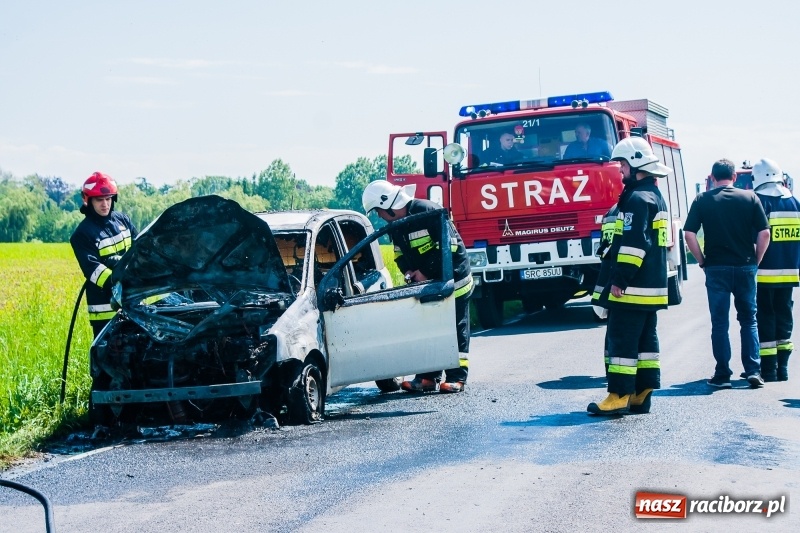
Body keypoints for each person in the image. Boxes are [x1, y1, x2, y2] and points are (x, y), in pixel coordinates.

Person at [362, 180, 473, 393]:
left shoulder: (428, 211)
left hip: (454, 279)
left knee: (454, 327)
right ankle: (428, 377)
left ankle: (457, 378)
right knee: (429, 328)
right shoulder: (397, 225)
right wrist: (408, 272)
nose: (379, 216)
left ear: (388, 206)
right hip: (427, 283)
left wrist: (426, 272)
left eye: (378, 211)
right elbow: (398, 254)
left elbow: (448, 247)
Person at [587, 136, 670, 415]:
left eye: (621, 163)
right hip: (652, 288)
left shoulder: (636, 199)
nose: (619, 169)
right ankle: (641, 392)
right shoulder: (654, 195)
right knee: (646, 341)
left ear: (635, 163)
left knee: (620, 340)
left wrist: (619, 281)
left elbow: (635, 245)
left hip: (632, 288)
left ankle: (619, 395)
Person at [684, 159, 770, 389]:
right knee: (749, 320)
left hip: (716, 268)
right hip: (745, 266)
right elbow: (764, 233)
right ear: (734, 177)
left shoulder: (703, 200)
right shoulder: (750, 198)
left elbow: (689, 234)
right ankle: (753, 370)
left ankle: (722, 374)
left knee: (719, 323)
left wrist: (702, 261)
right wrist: (756, 261)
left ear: (712, 177)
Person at [70, 172, 138, 338]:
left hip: (132, 301)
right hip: (104, 307)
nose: (105, 204)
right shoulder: (82, 234)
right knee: (108, 356)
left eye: (108, 199)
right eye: (99, 200)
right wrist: (121, 278)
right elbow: (93, 271)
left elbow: (140, 249)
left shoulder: (123, 221)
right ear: (88, 200)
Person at [750, 158, 800, 382]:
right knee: (785, 316)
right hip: (790, 273)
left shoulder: (759, 202)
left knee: (766, 317)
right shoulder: (795, 203)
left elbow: (756, 238)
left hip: (764, 272)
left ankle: (768, 370)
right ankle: (784, 369)